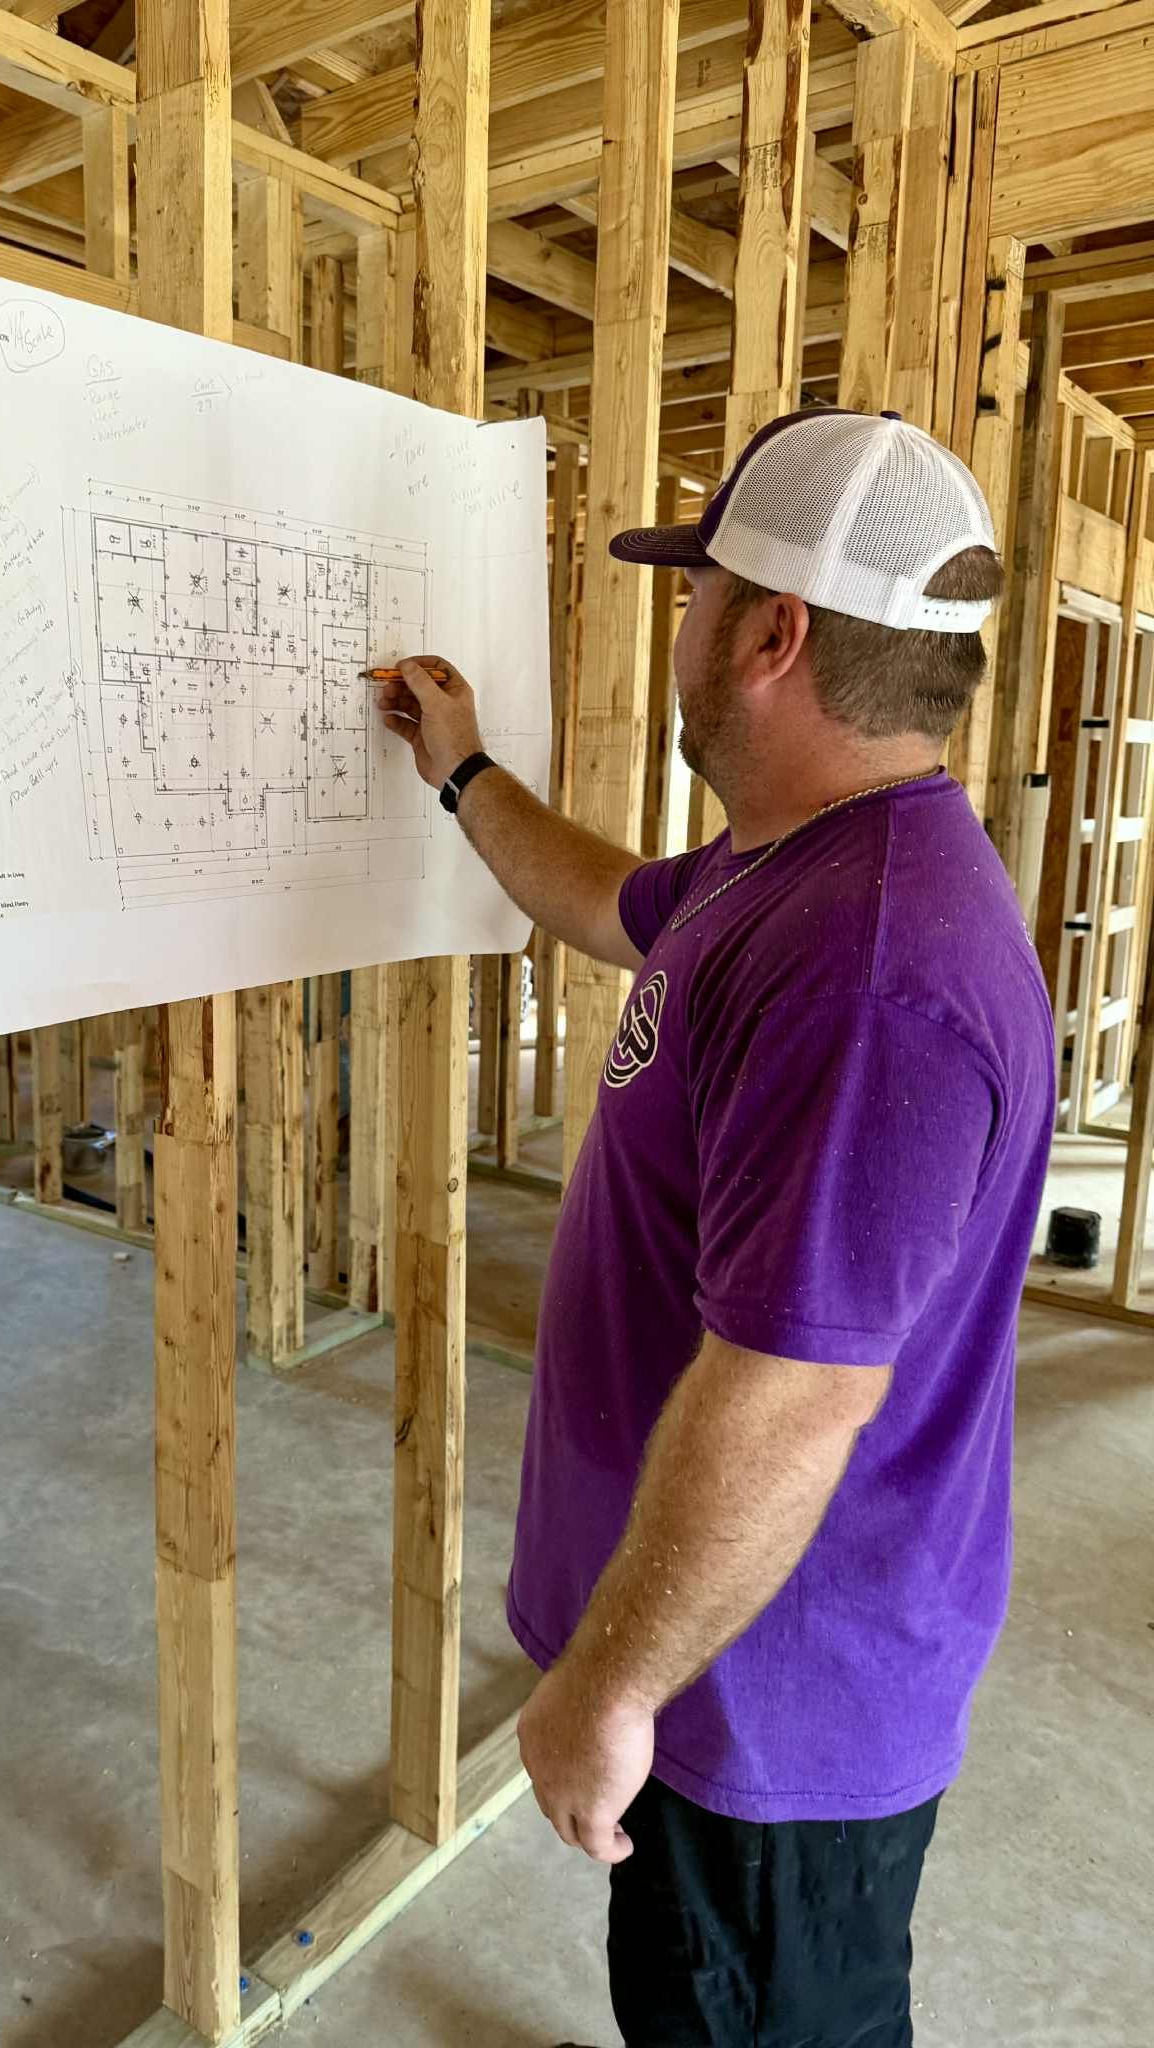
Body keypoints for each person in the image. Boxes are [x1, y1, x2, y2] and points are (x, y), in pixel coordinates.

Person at [377, 409, 1056, 2048]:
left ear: (771, 633)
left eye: (696, 592)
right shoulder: (784, 871)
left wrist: (611, 1692)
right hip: (738, 1657)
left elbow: (794, 1393)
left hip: (773, 1702)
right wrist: (462, 774)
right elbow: (604, 900)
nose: (673, 627)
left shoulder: (869, 971)